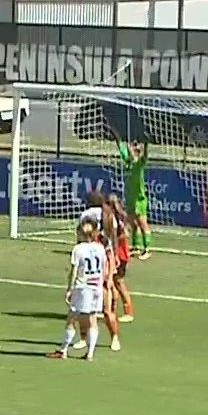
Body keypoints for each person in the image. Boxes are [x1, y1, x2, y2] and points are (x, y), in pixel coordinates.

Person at [50, 219, 111, 361]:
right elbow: (104, 268)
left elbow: (74, 270)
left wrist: (69, 289)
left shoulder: (78, 249)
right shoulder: (100, 248)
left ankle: (63, 350)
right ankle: (90, 353)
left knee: (72, 317)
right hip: (96, 287)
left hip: (83, 287)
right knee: (92, 319)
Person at [118, 137, 153, 258]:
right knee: (133, 223)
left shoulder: (139, 164)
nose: (130, 150)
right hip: (130, 199)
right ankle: (136, 247)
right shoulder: (127, 163)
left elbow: (145, 156)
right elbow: (121, 147)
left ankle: (147, 249)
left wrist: (146, 145)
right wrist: (117, 136)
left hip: (139, 200)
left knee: (143, 224)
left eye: (133, 149)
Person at [107, 192, 137, 326]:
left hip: (118, 252)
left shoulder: (114, 218)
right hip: (122, 252)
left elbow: (121, 235)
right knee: (115, 281)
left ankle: (127, 311)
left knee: (117, 281)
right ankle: (112, 309)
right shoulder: (121, 216)